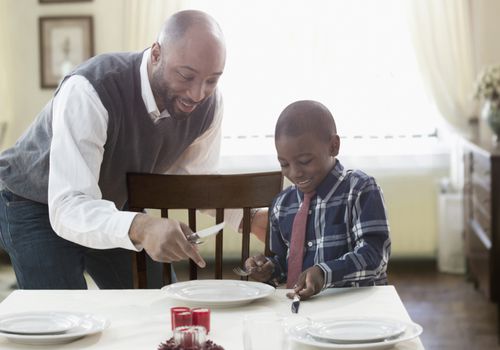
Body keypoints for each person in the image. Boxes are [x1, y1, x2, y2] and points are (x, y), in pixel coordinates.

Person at [0, 10, 254, 289]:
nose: (197, 94)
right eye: (186, 76)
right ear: (156, 54)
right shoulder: (90, 90)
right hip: (34, 200)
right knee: (64, 316)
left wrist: (248, 219)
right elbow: (68, 205)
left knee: (158, 299)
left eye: (212, 80)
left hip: (109, 200)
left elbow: (194, 179)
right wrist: (141, 226)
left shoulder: (208, 104)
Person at [245, 100, 391, 300]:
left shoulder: (360, 189)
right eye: (284, 164)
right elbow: (284, 264)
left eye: (305, 161)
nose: (295, 173)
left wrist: (325, 273)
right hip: (303, 311)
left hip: (356, 310)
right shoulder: (282, 205)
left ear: (333, 146)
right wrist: (269, 270)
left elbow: (375, 257)